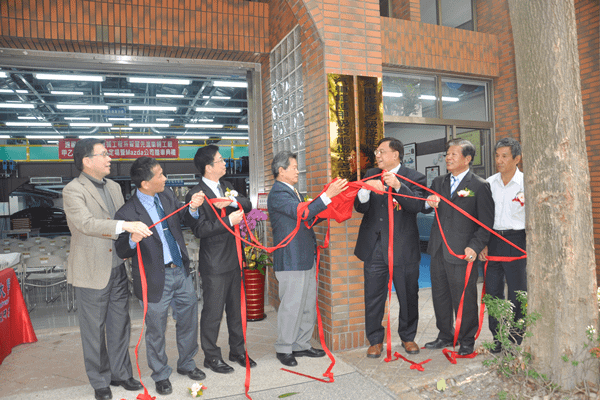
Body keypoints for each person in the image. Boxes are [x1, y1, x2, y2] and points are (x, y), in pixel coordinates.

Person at [63, 139, 153, 400]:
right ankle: (99, 380)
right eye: (103, 154)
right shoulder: (73, 190)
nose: (109, 158)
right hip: (91, 271)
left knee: (119, 324)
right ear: (86, 161)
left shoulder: (114, 187)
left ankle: (121, 373)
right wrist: (124, 227)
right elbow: (86, 223)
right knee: (93, 330)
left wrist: (130, 238)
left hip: (117, 267)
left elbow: (123, 216)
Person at [114, 157, 206, 395]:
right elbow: (121, 249)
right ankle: (160, 374)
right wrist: (133, 240)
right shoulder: (127, 212)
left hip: (181, 271)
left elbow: (185, 220)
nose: (165, 178)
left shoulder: (167, 197)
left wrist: (193, 207)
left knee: (188, 321)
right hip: (155, 279)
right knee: (155, 330)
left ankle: (186, 363)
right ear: (145, 183)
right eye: (160, 175)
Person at [267, 151, 348, 367]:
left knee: (307, 305)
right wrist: (326, 196)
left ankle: (301, 344)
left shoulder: (292, 191)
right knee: (291, 305)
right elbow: (301, 213)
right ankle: (284, 347)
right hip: (291, 259)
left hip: (305, 256)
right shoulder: (277, 193)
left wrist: (321, 208)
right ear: (281, 170)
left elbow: (306, 217)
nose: (297, 171)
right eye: (294, 167)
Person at [354, 137, 426, 358]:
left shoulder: (415, 177)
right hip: (374, 246)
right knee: (373, 295)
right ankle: (375, 340)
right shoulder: (370, 174)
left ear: (396, 154)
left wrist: (398, 186)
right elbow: (360, 207)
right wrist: (365, 191)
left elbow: (418, 206)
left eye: (381, 151)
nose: (377, 155)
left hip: (403, 247)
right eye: (376, 151)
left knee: (407, 294)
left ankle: (408, 336)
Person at [186, 145, 255, 374]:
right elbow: (200, 229)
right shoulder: (196, 194)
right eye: (221, 160)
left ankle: (237, 350)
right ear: (208, 167)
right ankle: (211, 356)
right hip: (214, 262)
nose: (225, 163)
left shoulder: (226, 187)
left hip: (234, 258)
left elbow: (247, 204)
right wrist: (229, 222)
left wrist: (233, 203)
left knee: (237, 310)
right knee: (213, 313)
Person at [423, 138, 494, 356]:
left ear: (468, 158)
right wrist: (428, 202)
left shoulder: (479, 186)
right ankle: (445, 334)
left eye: (454, 154)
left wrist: (475, 246)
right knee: (440, 295)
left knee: (464, 297)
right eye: (447, 154)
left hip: (463, 253)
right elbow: (427, 207)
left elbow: (485, 223)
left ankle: (466, 339)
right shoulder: (439, 182)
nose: (449, 158)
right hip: (437, 250)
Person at [478, 138, 526, 352]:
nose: (499, 160)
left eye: (504, 156)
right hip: (493, 241)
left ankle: (516, 339)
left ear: (517, 159)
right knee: (493, 292)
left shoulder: (526, 183)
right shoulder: (488, 183)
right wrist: (483, 243)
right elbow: (482, 216)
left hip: (518, 240)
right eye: (497, 156)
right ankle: (498, 341)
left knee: (518, 293)